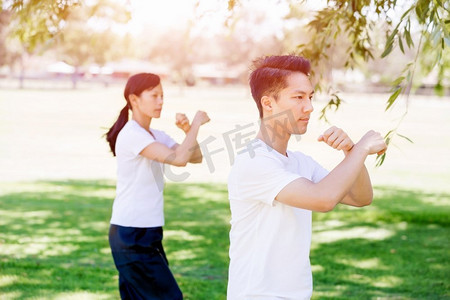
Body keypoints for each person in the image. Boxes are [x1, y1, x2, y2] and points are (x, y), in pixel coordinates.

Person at [227, 55, 387, 299]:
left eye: (310, 97)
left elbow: (360, 197)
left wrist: (352, 152)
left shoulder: (300, 162)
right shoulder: (253, 161)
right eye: (298, 97)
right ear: (268, 103)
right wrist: (362, 149)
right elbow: (323, 200)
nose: (310, 107)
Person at [105, 72, 209, 299]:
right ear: (134, 100)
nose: (161, 101)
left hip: (148, 231)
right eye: (154, 96)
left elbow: (195, 157)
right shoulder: (133, 135)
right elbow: (179, 160)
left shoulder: (155, 135)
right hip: (131, 233)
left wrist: (187, 129)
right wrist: (197, 125)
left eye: (162, 95)